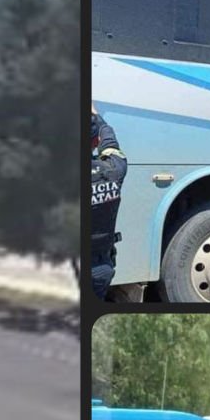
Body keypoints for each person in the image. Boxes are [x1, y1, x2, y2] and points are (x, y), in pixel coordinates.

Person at [90, 103, 127, 300]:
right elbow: (111, 144)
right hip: (101, 269)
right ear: (96, 142)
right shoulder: (114, 170)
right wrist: (97, 117)